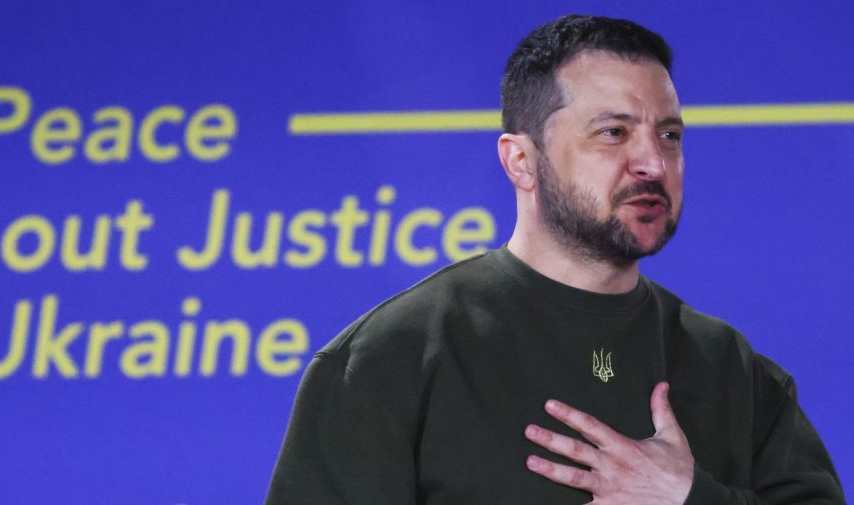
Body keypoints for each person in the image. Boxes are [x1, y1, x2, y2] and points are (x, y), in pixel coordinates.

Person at [265, 14, 845, 504]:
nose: (652, 163)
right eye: (614, 132)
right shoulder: (392, 358)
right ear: (522, 161)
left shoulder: (731, 369)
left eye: (669, 136)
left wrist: (687, 496)